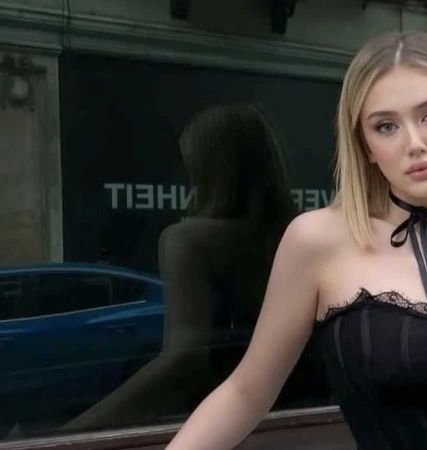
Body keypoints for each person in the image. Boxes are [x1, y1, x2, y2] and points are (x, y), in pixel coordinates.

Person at [167, 31, 427, 449]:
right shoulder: (318, 242)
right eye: (386, 126)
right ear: (365, 146)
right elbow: (246, 392)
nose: (415, 144)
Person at [63, 104, 298, 430]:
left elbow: (185, 361)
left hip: (224, 426)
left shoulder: (188, 240)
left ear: (208, 169)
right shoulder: (302, 235)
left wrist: (73, 433)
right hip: (303, 417)